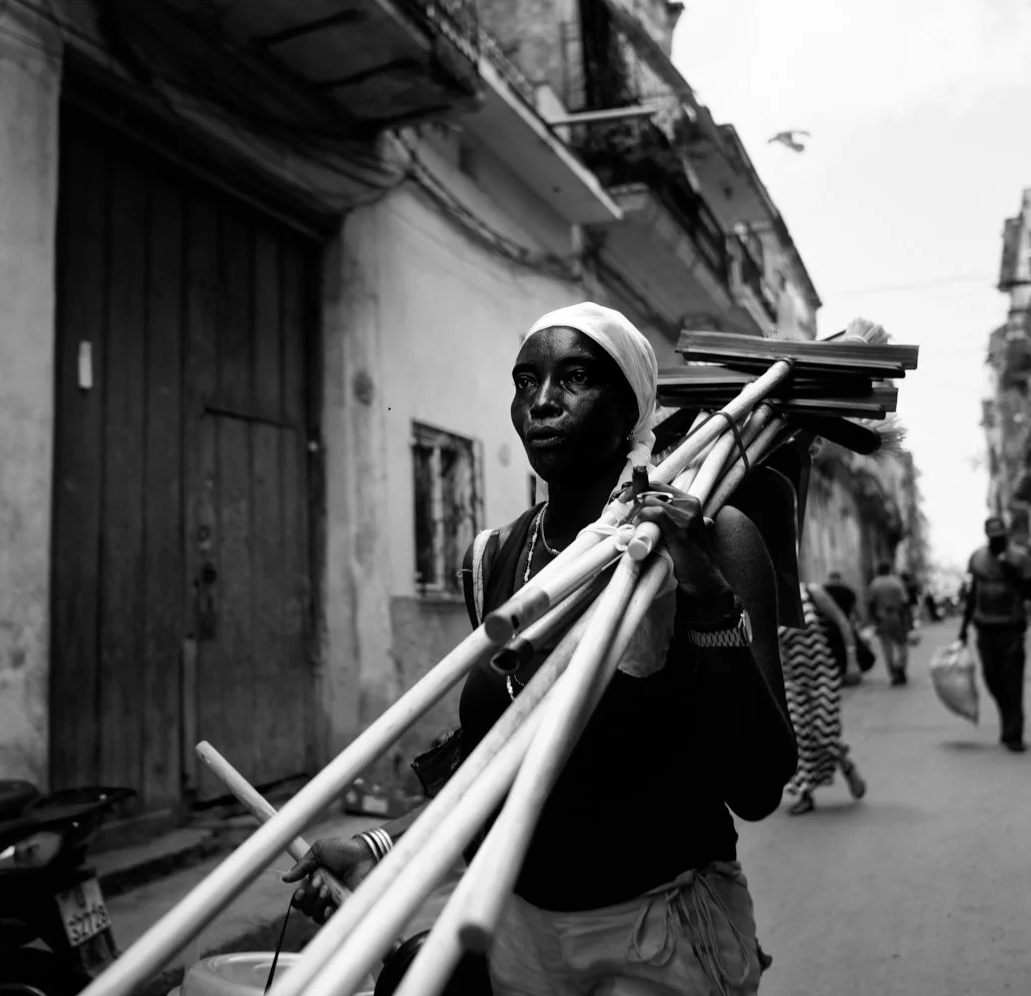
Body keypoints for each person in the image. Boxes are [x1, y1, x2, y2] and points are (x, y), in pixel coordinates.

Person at [285, 302, 798, 996]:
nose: (543, 402)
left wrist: (706, 597)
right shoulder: (493, 558)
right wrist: (381, 848)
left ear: (634, 412)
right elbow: (495, 768)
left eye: (576, 377)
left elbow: (760, 785)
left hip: (659, 935)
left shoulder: (712, 535)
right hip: (519, 934)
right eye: (526, 381)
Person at [779, 581, 867, 814]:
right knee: (797, 736)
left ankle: (846, 765)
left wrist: (852, 660)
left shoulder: (810, 592)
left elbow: (841, 621)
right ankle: (805, 794)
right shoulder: (763, 598)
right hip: (791, 681)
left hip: (823, 674)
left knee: (823, 731)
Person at [958, 517, 1031, 752]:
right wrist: (962, 629)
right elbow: (973, 594)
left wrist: (1011, 573)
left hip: (1011, 627)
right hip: (985, 628)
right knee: (992, 679)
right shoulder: (978, 558)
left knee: (1013, 680)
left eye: (1001, 537)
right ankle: (1008, 717)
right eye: (993, 538)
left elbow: (1030, 593)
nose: (997, 542)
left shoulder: (1020, 558)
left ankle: (1014, 733)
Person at [865, 562, 911, 685]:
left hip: (882, 618)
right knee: (902, 645)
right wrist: (907, 621)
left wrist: (873, 619)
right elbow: (905, 602)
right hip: (896, 617)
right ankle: (901, 667)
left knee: (887, 648)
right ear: (889, 570)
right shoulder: (897, 582)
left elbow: (871, 603)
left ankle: (893, 673)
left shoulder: (875, 584)